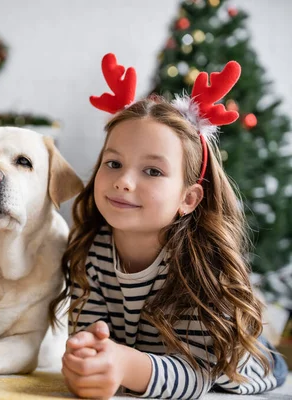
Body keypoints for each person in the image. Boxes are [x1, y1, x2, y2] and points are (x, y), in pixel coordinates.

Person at [52, 54, 287, 399]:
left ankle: (268, 329)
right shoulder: (93, 250)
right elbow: (91, 334)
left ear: (188, 199)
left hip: (239, 365)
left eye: (152, 171)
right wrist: (88, 357)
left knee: (260, 347)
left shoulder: (200, 266)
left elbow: (197, 374)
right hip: (152, 354)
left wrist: (124, 364)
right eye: (113, 163)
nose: (124, 182)